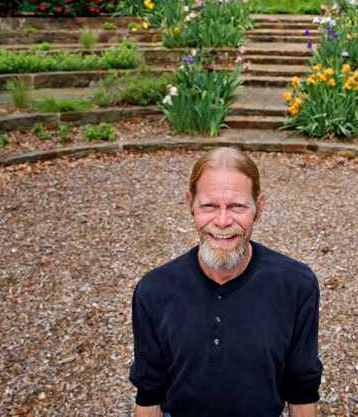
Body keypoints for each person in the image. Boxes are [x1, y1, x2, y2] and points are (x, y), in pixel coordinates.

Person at [129, 147, 323, 417]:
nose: (222, 221)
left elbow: (302, 390)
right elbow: (149, 394)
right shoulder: (154, 291)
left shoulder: (296, 286)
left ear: (259, 207)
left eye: (237, 206)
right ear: (190, 205)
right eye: (209, 206)